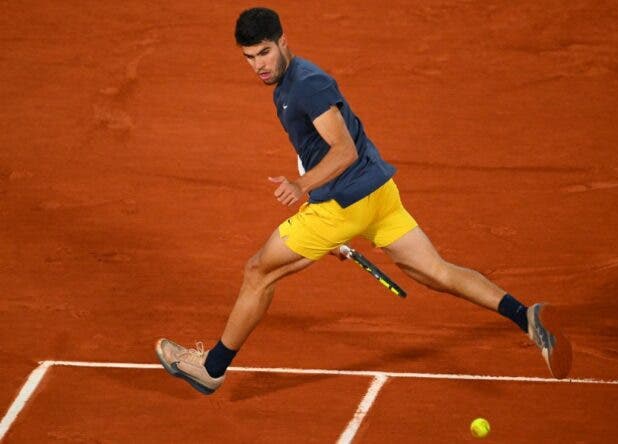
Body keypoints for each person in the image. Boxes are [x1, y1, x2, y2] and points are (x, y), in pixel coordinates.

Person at [155, 7, 572, 395]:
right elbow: (318, 153)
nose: (259, 64)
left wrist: (304, 191)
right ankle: (525, 315)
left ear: (284, 41)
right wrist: (316, 203)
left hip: (346, 204)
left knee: (258, 272)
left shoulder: (307, 86)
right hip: (376, 196)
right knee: (436, 272)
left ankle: (211, 368)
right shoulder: (290, 85)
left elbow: (343, 151)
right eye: (249, 57)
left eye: (265, 52)